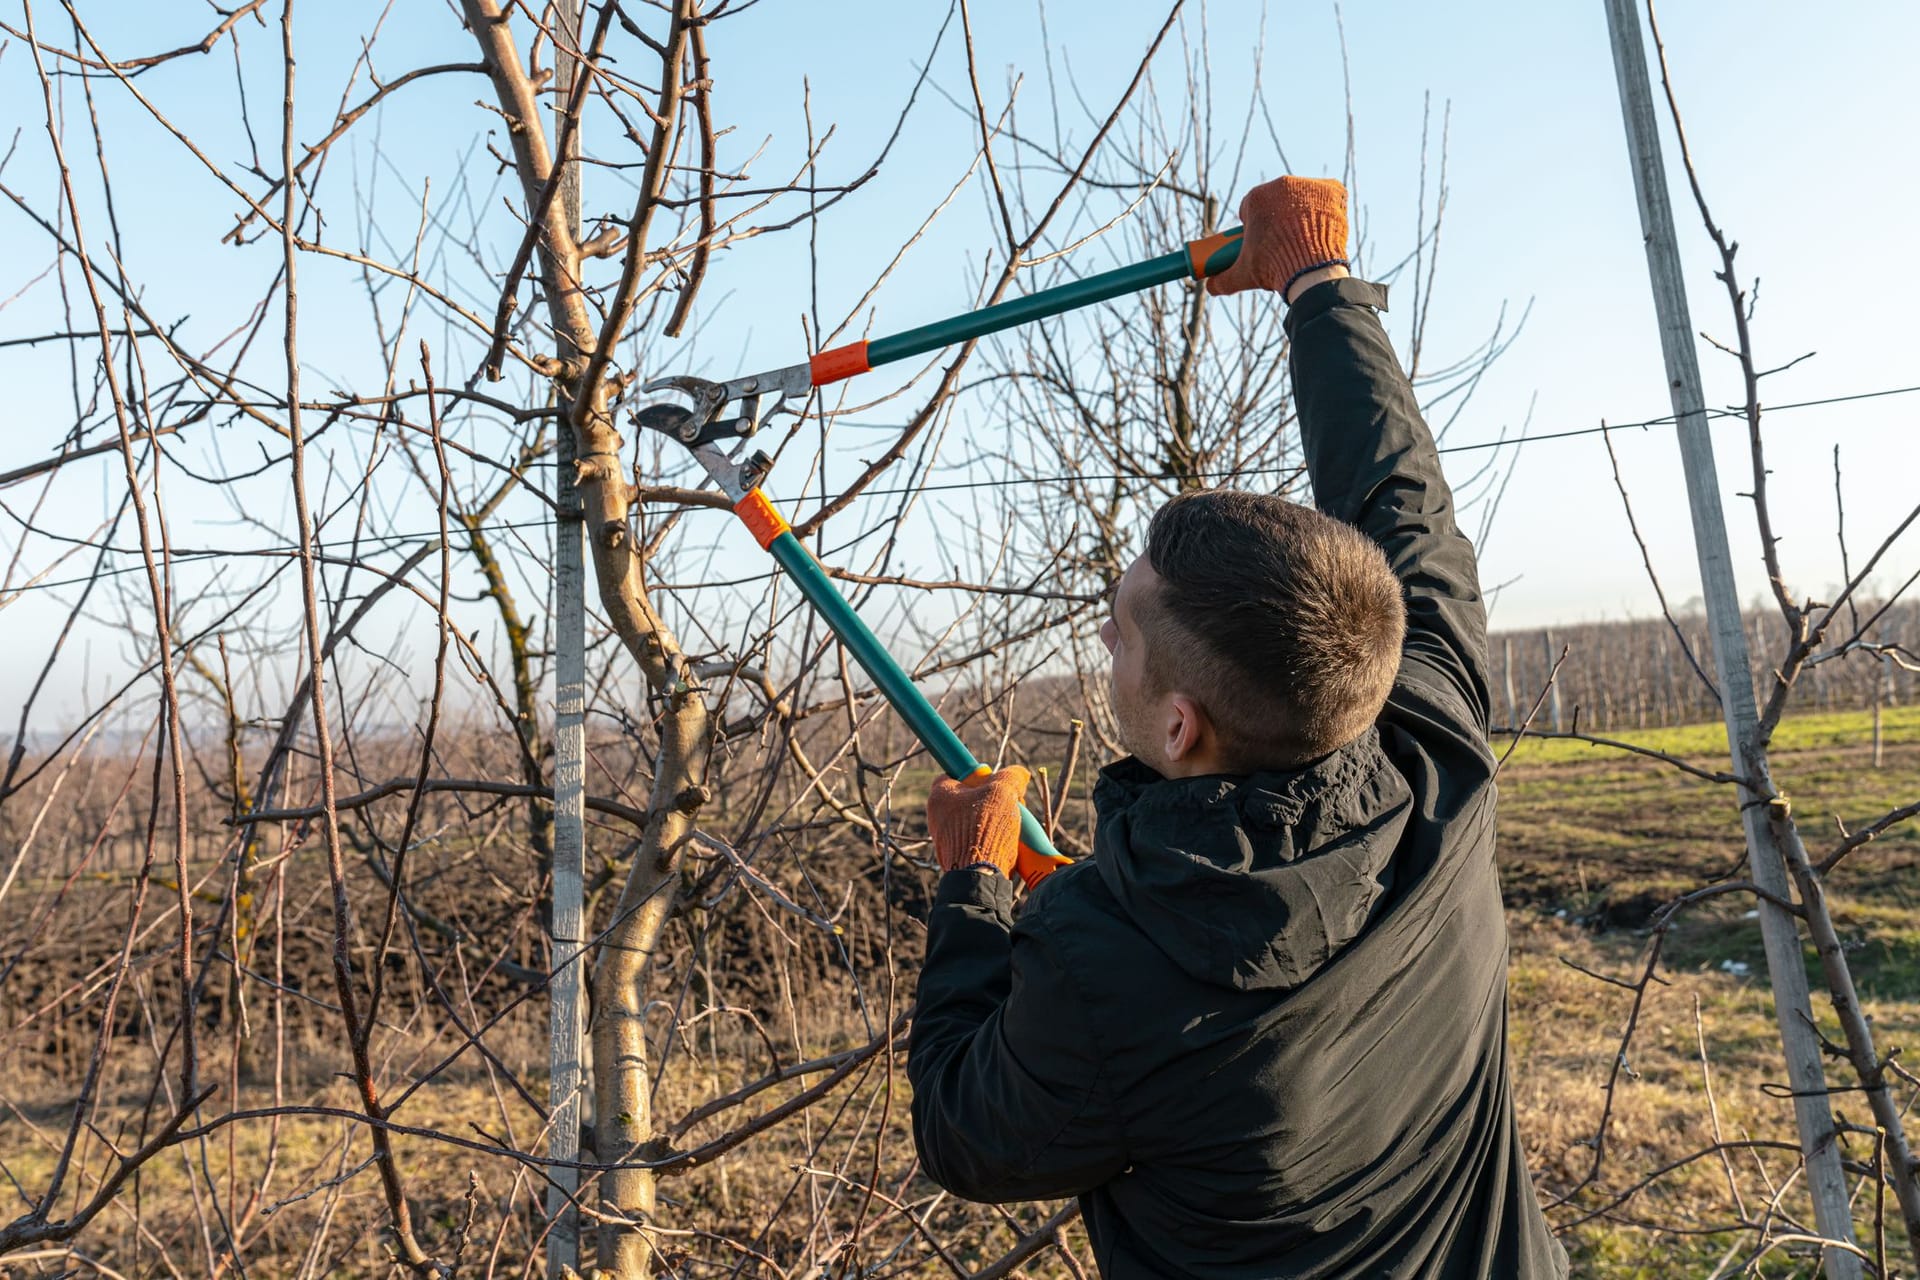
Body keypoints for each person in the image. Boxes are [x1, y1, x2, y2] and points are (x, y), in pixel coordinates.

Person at [906, 176, 1568, 1279]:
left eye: (1120, 631)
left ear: (1179, 724)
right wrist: (1318, 285)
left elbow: (966, 1133)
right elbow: (1398, 506)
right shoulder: (1438, 759)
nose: (1104, 638)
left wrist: (971, 886)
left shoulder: (1101, 965)